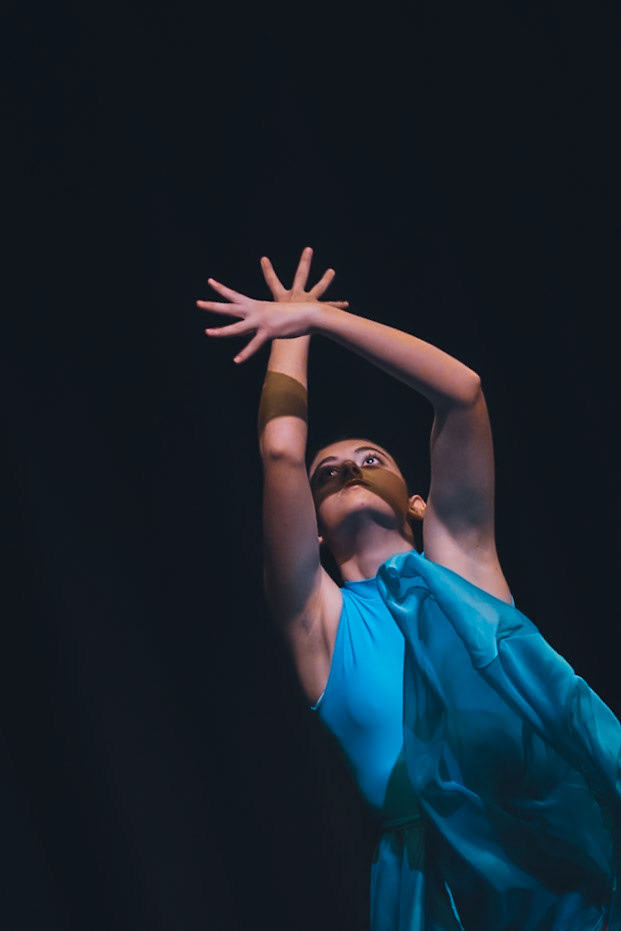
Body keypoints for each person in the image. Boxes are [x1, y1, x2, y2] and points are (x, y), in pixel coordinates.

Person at [197, 245, 620, 930]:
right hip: (431, 888)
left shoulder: (460, 569)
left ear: (417, 503)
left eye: (372, 459)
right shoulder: (319, 622)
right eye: (327, 472)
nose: (348, 470)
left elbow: (462, 391)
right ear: (312, 533)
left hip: (538, 855)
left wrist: (323, 319)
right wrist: (290, 330)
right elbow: (280, 451)